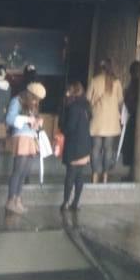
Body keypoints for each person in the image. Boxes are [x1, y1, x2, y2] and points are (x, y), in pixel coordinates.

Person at [5, 80, 46, 214]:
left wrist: (37, 123)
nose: (37, 101)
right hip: (21, 137)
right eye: (35, 98)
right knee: (18, 171)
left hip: (31, 137)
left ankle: (18, 200)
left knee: (24, 172)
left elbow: (32, 122)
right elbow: (9, 119)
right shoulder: (17, 101)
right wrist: (28, 119)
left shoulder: (32, 104)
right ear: (30, 94)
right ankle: (10, 201)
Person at [87, 59, 123, 183]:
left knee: (95, 148)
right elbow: (120, 100)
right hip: (111, 121)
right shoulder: (116, 82)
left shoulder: (94, 80)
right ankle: (105, 175)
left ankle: (94, 175)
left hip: (97, 120)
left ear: (100, 68)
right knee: (108, 149)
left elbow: (88, 98)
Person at [60, 81, 92, 213]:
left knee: (70, 175)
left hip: (74, 145)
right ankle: (76, 202)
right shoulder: (86, 106)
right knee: (80, 175)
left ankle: (66, 202)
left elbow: (70, 127)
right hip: (85, 144)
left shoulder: (73, 107)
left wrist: (62, 129)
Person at [121, 60, 140, 177]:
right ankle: (132, 172)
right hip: (136, 117)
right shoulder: (135, 84)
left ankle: (132, 172)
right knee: (132, 147)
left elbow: (128, 101)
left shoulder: (134, 84)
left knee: (132, 146)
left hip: (135, 117)